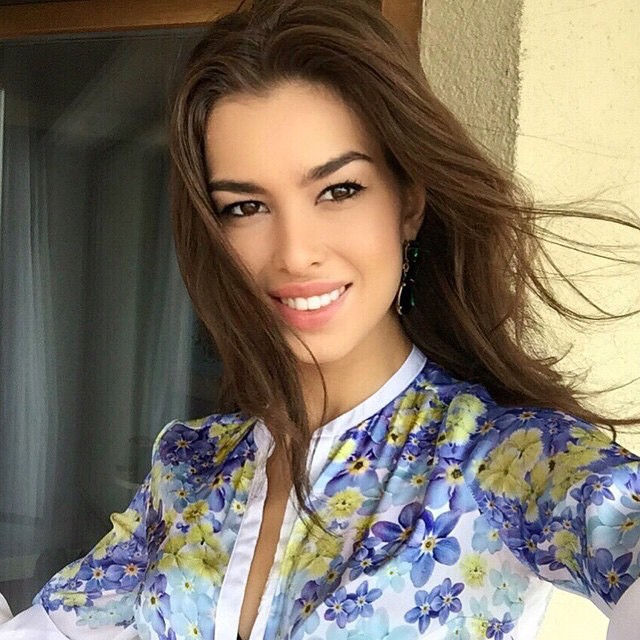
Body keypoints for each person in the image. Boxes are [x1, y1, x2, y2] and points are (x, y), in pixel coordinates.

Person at [2, 0, 640, 638]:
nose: (294, 252)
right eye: (245, 206)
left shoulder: (510, 460)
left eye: (339, 190)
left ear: (409, 202)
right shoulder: (191, 469)